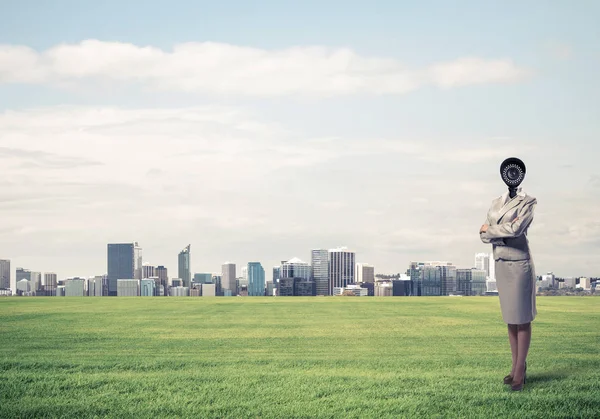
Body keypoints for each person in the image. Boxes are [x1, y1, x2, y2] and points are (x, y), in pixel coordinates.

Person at [479, 164, 538, 392]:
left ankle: (520, 371)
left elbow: (516, 229)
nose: (512, 175)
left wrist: (492, 230)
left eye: (516, 171)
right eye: (508, 171)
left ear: (520, 175)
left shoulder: (529, 201)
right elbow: (483, 235)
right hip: (502, 263)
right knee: (510, 319)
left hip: (520, 264)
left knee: (522, 319)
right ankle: (515, 367)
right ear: (503, 175)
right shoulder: (495, 202)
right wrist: (497, 231)